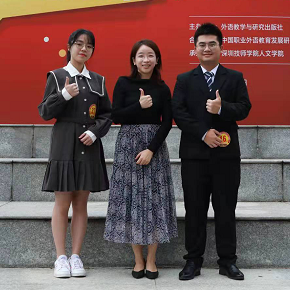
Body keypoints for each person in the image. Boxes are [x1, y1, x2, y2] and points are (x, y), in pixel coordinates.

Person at [172, 23, 252, 281]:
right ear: (195, 49)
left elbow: (244, 108)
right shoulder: (184, 80)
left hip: (226, 157)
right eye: (202, 44)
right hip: (194, 156)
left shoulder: (235, 77)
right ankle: (193, 261)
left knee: (225, 209)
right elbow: (178, 113)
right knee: (194, 210)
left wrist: (221, 108)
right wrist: (203, 133)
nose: (207, 48)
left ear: (220, 47)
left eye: (212, 44)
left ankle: (227, 262)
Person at [38, 28, 112, 279]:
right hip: (63, 143)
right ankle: (60, 257)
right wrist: (63, 95)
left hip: (88, 144)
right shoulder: (57, 76)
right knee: (62, 202)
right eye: (79, 44)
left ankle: (76, 256)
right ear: (69, 46)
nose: (84, 49)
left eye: (89, 46)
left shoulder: (98, 81)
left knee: (81, 203)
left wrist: (95, 132)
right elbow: (45, 112)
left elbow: (106, 114)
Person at [104, 39, 177, 280]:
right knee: (131, 200)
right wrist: (139, 105)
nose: (146, 60)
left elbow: (167, 122)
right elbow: (115, 115)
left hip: (154, 147)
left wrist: (151, 150)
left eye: (150, 55)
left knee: (154, 201)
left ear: (157, 60)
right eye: (141, 55)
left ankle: (152, 259)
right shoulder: (123, 83)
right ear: (134, 60)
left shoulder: (163, 88)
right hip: (128, 146)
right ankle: (138, 259)